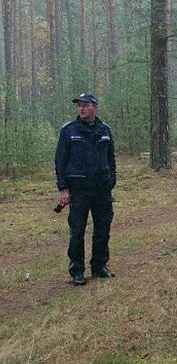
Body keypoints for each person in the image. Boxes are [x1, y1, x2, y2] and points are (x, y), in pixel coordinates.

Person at [55, 92, 116, 286]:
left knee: (102, 230)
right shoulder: (69, 131)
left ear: (95, 107)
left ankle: (99, 266)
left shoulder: (104, 130)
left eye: (85, 105)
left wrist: (111, 179)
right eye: (79, 105)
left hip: (102, 190)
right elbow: (60, 161)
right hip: (79, 190)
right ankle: (77, 271)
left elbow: (111, 158)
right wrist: (63, 188)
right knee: (77, 231)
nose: (81, 108)